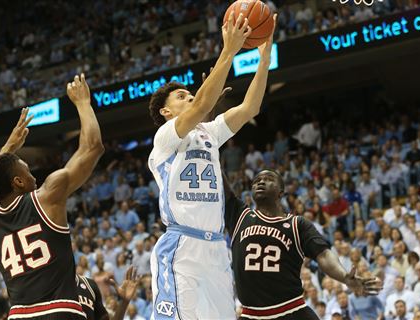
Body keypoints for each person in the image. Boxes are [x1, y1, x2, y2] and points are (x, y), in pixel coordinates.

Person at [146, 12, 271, 319]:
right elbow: (203, 103)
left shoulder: (210, 132)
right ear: (165, 111)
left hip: (216, 247)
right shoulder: (165, 137)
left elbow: (250, 107)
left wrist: (263, 59)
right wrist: (228, 51)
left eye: (190, 93)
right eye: (181, 96)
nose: (189, 98)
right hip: (181, 246)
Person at [0, 74, 104, 319]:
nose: (33, 175)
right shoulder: (46, 197)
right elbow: (92, 148)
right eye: (27, 169)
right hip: (59, 311)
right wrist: (82, 103)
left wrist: (6, 151)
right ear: (19, 181)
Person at [225, 169, 382, 319]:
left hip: (291, 311)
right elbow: (221, 185)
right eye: (257, 180)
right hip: (251, 315)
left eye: (268, 179)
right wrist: (210, 152)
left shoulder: (297, 225)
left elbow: (323, 254)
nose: (260, 182)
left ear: (281, 192)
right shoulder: (240, 216)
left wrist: (344, 277)